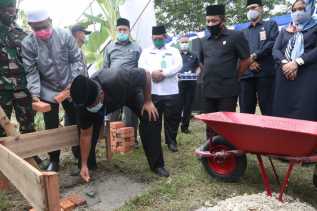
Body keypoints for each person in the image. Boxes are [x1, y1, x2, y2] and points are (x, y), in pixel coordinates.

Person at [70, 67, 171, 182]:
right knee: (89, 123)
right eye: (90, 107)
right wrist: (83, 164)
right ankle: (87, 165)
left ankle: (157, 165)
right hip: (105, 103)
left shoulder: (118, 77)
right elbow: (85, 135)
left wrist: (148, 101)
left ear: (101, 94)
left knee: (150, 116)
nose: (92, 108)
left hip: (129, 93)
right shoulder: (84, 106)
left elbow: (146, 74)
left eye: (93, 105)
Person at [22, 6, 84, 172]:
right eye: (37, 28)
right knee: (51, 126)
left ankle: (80, 154)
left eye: (44, 26)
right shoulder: (28, 43)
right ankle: (54, 159)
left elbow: (76, 60)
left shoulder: (64, 36)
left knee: (77, 119)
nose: (41, 30)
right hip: (47, 89)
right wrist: (35, 93)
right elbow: (31, 70)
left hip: (69, 85)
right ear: (30, 26)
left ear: (50, 21)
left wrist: (73, 83)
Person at [198, 5, 250, 139]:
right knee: (210, 123)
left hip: (227, 89)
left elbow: (246, 60)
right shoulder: (204, 41)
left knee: (225, 124)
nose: (210, 24)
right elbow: (202, 62)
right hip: (209, 88)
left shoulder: (236, 36)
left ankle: (227, 152)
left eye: (214, 21)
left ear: (223, 20)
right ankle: (210, 152)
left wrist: (236, 76)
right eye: (208, 21)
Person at [0, 0, 42, 164]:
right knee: (2, 127)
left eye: (13, 11)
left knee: (28, 124)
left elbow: (30, 60)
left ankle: (31, 154)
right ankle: (5, 162)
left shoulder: (21, 34)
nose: (11, 14)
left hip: (21, 87)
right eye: (7, 11)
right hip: (2, 89)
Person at [138, 25, 183, 152]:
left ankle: (171, 141)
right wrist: (153, 73)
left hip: (171, 90)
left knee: (172, 118)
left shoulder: (173, 50)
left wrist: (164, 73)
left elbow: (179, 65)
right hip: (153, 91)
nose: (157, 40)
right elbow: (141, 66)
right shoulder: (146, 52)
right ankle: (155, 142)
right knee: (154, 119)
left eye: (160, 38)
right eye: (155, 38)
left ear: (165, 37)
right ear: (152, 38)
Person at [272, 0, 317, 121]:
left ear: (310, 8)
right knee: (282, 114)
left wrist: (297, 62)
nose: (297, 12)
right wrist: (285, 63)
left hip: (307, 76)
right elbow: (275, 50)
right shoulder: (285, 30)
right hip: (284, 75)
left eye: (301, 9)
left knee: (305, 114)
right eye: (294, 10)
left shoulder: (315, 28)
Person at [103, 18, 141, 146]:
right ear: (116, 30)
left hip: (131, 87)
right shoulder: (109, 47)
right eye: (120, 30)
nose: (122, 32)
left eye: (125, 30)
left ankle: (132, 139)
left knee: (131, 114)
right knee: (112, 113)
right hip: (113, 86)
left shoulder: (137, 47)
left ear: (129, 31)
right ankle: (111, 138)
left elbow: (140, 67)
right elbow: (105, 68)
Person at [240, 0, 279, 115]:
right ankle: (246, 133)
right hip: (247, 75)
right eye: (248, 9)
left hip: (265, 74)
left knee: (268, 109)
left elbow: (272, 43)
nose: (251, 11)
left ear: (261, 8)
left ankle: (271, 133)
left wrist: (255, 55)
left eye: (253, 7)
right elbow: (241, 51)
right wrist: (250, 62)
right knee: (246, 110)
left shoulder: (270, 24)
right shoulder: (243, 32)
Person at [178, 36, 200, 134]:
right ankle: (175, 124)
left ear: (189, 43)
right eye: (182, 42)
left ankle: (185, 127)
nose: (184, 44)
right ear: (179, 43)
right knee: (178, 105)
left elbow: (199, 67)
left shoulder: (194, 55)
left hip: (191, 83)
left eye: (186, 42)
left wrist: (196, 73)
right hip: (178, 84)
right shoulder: (176, 55)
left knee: (188, 105)